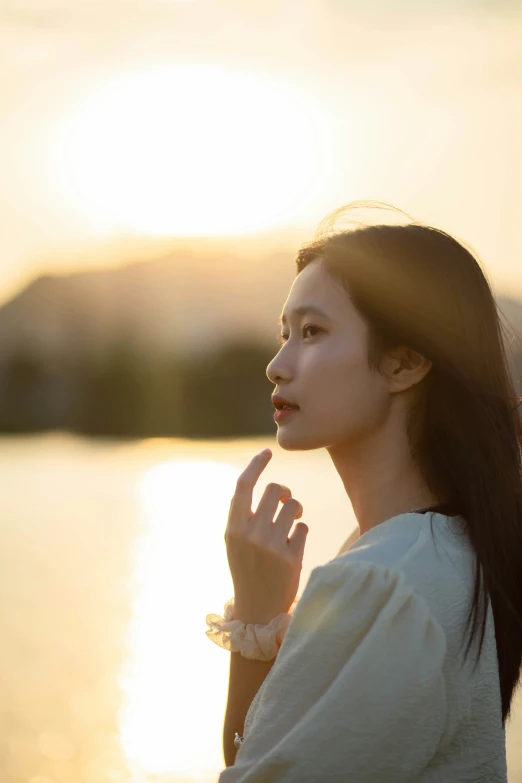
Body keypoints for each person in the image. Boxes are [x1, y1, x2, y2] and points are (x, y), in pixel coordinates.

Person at [209, 202, 522, 781]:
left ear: (405, 363)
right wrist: (257, 620)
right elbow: (260, 759)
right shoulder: (447, 552)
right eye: (285, 335)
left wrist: (257, 618)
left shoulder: (383, 585)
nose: (277, 365)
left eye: (312, 332)